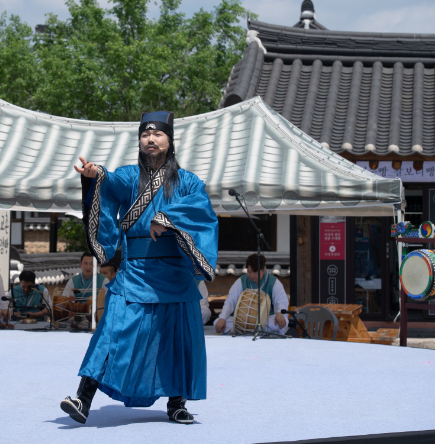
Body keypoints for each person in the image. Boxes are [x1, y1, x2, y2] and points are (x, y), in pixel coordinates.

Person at [60, 111, 218, 425]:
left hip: (175, 275)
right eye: (145, 134)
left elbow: (202, 210)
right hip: (135, 273)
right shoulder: (131, 176)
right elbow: (110, 183)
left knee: (177, 340)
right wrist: (96, 174)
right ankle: (83, 398)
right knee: (111, 330)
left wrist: (168, 218)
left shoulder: (187, 181)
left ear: (170, 141)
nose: (150, 139)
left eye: (157, 134)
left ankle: (177, 403)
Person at [214, 254, 289, 335]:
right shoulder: (241, 281)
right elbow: (230, 301)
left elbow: (281, 301)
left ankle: (246, 331)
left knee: (282, 321)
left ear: (263, 270)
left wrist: (280, 312)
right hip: (244, 320)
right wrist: (222, 318)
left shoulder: (273, 282)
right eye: (249, 271)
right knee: (217, 322)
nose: (251, 275)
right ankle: (260, 331)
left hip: (266, 320)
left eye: (255, 272)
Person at [60, 252, 108, 328]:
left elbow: (108, 303)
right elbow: (65, 303)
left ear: (97, 265)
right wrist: (70, 307)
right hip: (76, 318)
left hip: (96, 319)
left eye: (91, 264)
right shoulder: (73, 281)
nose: (88, 267)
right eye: (85, 263)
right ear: (80, 264)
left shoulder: (104, 281)